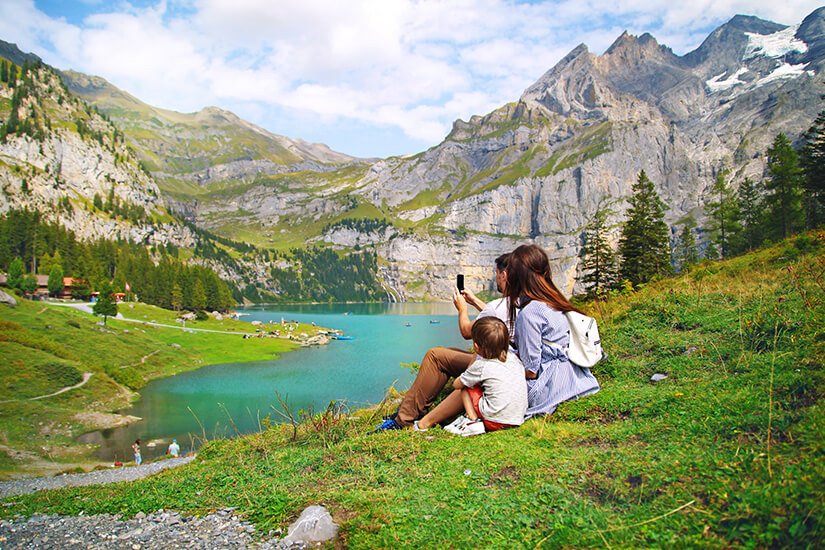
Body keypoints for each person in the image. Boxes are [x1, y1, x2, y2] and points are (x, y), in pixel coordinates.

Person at [373, 253, 512, 431]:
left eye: (496, 273)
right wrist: (475, 301)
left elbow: (467, 332)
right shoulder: (517, 302)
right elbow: (495, 314)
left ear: (504, 275)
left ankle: (404, 420)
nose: (496, 278)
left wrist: (462, 308)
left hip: (494, 366)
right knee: (448, 352)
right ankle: (412, 412)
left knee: (435, 356)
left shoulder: (499, 305)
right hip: (506, 362)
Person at [504, 244, 600, 417]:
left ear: (516, 277)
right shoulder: (554, 301)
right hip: (577, 377)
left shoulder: (529, 314)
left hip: (551, 386)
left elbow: (531, 371)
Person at [414, 317, 527, 436]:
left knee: (465, 385)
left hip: (494, 421)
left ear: (477, 346)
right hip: (516, 419)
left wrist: (470, 366)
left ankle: (472, 420)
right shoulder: (514, 359)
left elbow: (457, 384)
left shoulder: (482, 366)